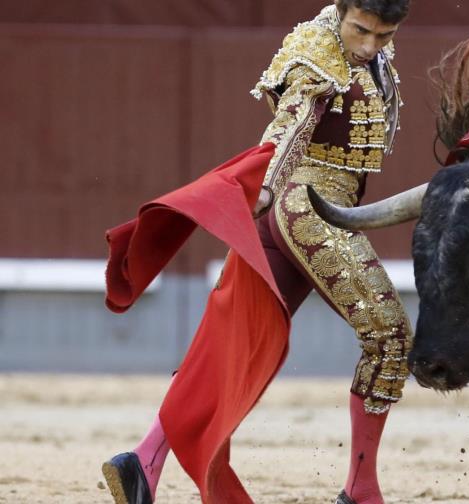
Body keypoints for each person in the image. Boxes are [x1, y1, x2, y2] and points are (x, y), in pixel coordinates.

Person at [100, 1, 412, 503]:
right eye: (362, 31)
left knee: (229, 341)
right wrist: (264, 186)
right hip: (309, 206)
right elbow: (292, 121)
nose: (369, 46)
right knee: (391, 336)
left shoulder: (367, 45)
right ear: (342, 9)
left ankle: (144, 461)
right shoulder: (319, 49)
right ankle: (362, 491)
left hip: (303, 209)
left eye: (383, 34)